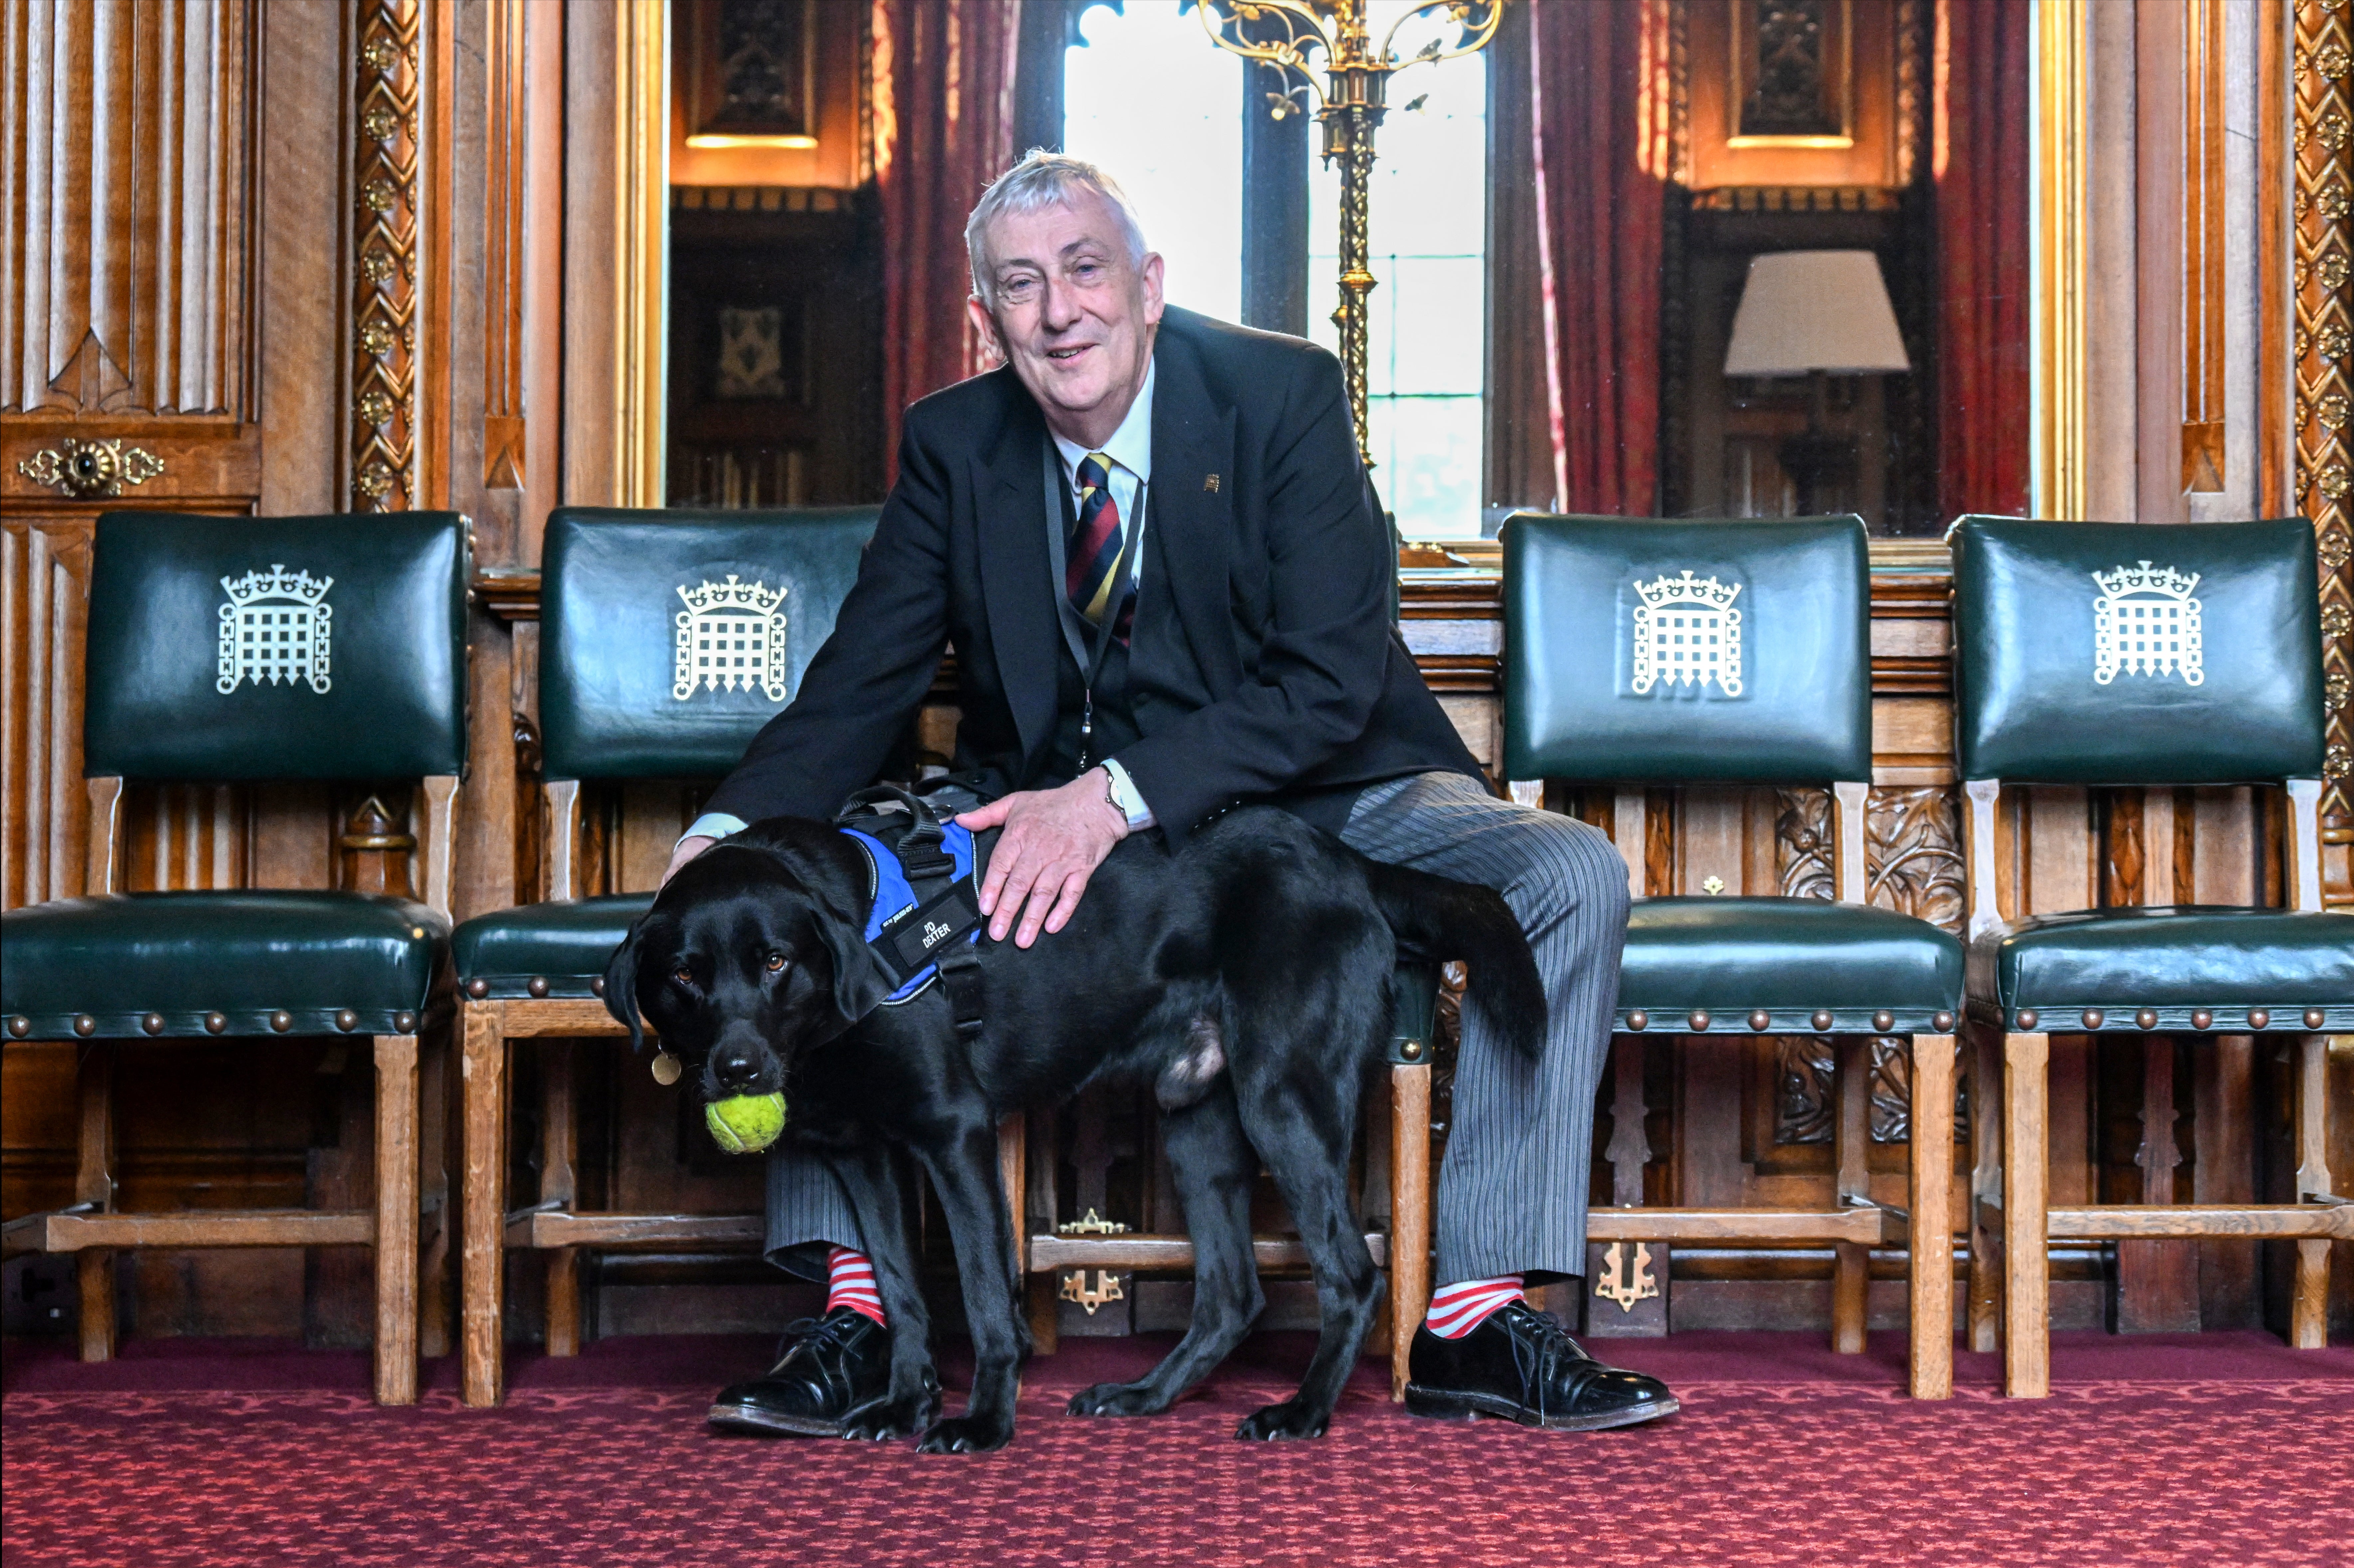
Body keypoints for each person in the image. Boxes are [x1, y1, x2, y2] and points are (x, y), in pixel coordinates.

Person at [670, 152, 1675, 1435]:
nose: (1059, 311)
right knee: (820, 892)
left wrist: (1115, 795)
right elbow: (859, 682)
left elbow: (1324, 679)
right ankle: (860, 1319)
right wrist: (718, 839)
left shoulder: (1282, 394)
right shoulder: (952, 443)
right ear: (985, 320)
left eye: (1086, 271)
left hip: (1331, 788)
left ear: (1147, 285)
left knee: (1568, 873)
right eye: (1021, 286)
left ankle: (1478, 1316)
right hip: (1053, 817)